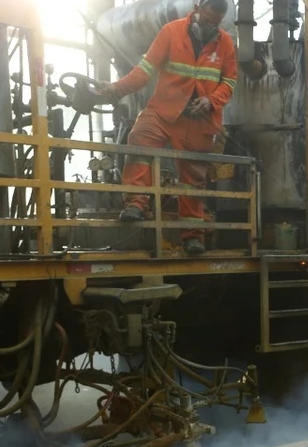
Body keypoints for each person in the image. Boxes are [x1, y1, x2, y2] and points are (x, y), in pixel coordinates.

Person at [98, 0, 237, 256]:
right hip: (164, 111)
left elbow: (229, 81)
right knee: (140, 139)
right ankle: (136, 204)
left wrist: (211, 100)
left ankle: (192, 236)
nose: (210, 27)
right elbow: (145, 70)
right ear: (197, 8)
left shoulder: (225, 43)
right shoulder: (171, 32)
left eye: (215, 23)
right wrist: (117, 89)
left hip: (199, 120)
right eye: (207, 20)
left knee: (193, 180)